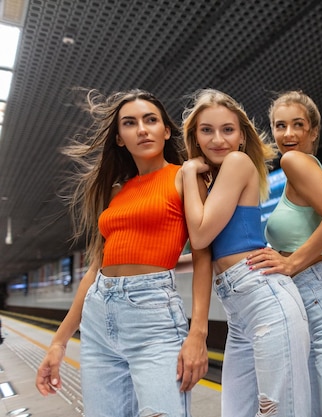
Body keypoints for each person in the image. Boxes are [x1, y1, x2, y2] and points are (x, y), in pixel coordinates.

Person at [35, 89, 212, 417]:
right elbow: (94, 270)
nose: (142, 129)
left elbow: (203, 256)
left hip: (154, 319)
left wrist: (198, 333)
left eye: (151, 120)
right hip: (98, 316)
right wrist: (58, 343)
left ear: (166, 130)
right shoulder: (116, 192)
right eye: (130, 123)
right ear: (119, 138)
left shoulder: (184, 177)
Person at [180, 89, 311, 417]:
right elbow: (207, 252)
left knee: (279, 412)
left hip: (265, 299)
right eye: (206, 130)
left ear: (241, 137)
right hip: (239, 313)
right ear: (195, 137)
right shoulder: (211, 182)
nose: (218, 139)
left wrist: (185, 173)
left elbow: (199, 235)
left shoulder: (238, 163)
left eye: (228, 129)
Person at [247, 90, 322, 417]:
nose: (287, 134)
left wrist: (289, 263)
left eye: (297, 125)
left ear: (313, 132)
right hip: (306, 305)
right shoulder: (295, 172)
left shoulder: (293, 161)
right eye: (280, 125)